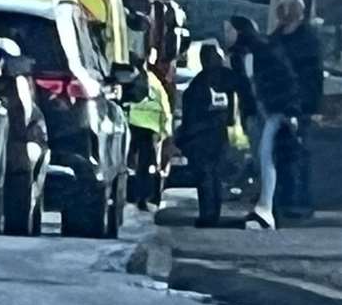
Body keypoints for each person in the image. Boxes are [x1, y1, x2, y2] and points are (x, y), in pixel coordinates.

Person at [223, 15, 298, 230]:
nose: (226, 35)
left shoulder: (259, 52)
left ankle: (266, 209)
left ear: (239, 31)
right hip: (265, 113)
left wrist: (287, 110)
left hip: (272, 113)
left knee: (267, 158)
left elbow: (278, 80)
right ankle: (265, 208)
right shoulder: (249, 53)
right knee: (263, 158)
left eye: (229, 30)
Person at [175, 43, 242, 227]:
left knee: (206, 176)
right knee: (214, 176)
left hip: (203, 136)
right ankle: (212, 214)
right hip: (216, 134)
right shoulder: (226, 78)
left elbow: (190, 116)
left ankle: (208, 215)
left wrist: (185, 137)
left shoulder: (198, 85)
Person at [270, 0, 320, 220]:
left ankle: (298, 201)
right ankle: (282, 199)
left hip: (299, 105)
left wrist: (307, 105)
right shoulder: (278, 38)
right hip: (278, 103)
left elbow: (312, 77)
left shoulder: (306, 40)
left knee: (297, 154)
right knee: (280, 153)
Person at [126, 59, 173, 211]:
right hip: (151, 129)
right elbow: (164, 106)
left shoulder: (128, 79)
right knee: (146, 166)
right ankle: (144, 198)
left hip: (131, 126)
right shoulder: (154, 81)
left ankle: (130, 195)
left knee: (130, 163)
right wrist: (166, 131)